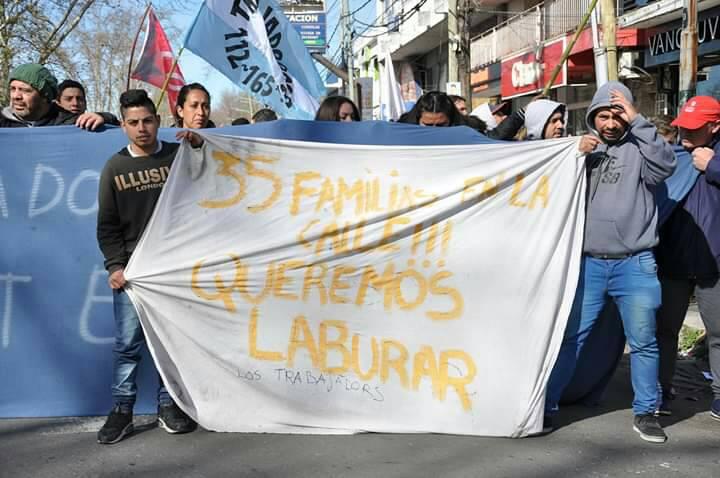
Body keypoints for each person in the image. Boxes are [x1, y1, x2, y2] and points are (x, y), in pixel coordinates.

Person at [544, 81, 676, 443]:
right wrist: (572, 154)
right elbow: (545, 184)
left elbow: (666, 166)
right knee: (571, 338)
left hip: (635, 263)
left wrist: (638, 120)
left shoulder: (642, 149)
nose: (610, 122)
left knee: (644, 342)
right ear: (592, 118)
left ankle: (647, 412)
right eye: (603, 115)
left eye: (617, 115)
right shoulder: (581, 149)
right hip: (588, 265)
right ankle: (547, 405)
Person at [96, 89, 200, 444]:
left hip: (172, 269)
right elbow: (107, 226)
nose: (142, 128)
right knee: (127, 345)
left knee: (169, 341)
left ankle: (168, 404)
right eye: (134, 122)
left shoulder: (177, 155)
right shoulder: (114, 167)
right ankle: (122, 410)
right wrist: (115, 266)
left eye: (148, 121)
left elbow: (213, 174)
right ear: (123, 125)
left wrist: (200, 144)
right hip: (133, 274)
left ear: (158, 121)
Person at [655, 96, 720, 421]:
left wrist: (713, 166)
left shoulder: (714, 158)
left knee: (719, 332)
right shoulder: (673, 154)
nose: (685, 135)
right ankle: (660, 390)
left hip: (714, 263)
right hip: (673, 258)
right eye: (683, 127)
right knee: (665, 330)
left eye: (694, 130)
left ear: (715, 126)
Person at [1, 63, 109, 129]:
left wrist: (103, 117)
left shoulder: (70, 124)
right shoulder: (2, 122)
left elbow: (121, 127)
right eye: (13, 89)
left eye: (25, 90)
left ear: (45, 96)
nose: (16, 96)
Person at [56, 79, 120, 125]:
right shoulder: (50, 125)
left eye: (80, 99)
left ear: (86, 104)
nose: (75, 103)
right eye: (68, 99)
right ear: (58, 103)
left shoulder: (95, 123)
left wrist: (103, 117)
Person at [398, 91, 465, 127]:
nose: (434, 130)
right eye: (428, 125)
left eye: (440, 125)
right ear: (417, 119)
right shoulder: (401, 128)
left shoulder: (471, 130)